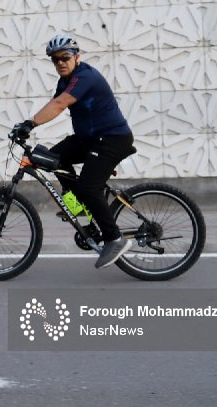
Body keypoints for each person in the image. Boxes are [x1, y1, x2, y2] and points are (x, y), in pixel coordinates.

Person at [12, 34, 135, 269]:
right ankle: (79, 209)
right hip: (89, 139)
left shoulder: (85, 77)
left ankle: (114, 239)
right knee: (52, 159)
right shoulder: (65, 81)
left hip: (111, 139)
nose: (60, 62)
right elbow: (53, 105)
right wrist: (25, 126)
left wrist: (30, 123)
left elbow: (59, 105)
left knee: (89, 187)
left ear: (77, 57)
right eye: (55, 59)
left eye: (65, 57)